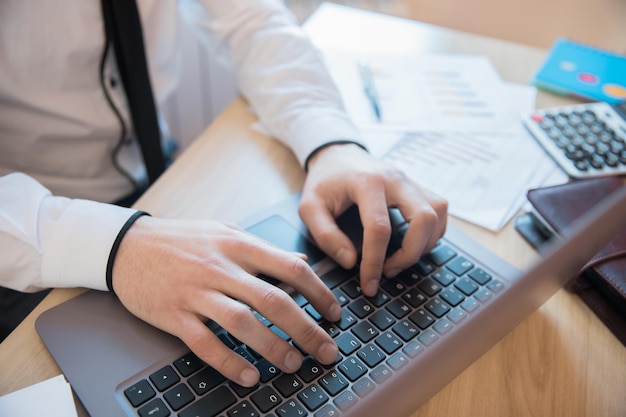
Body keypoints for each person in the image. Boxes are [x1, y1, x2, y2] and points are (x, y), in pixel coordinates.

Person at [0, 0, 447, 387]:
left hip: (158, 177)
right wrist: (116, 244)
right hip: (28, 230)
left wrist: (331, 143)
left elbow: (253, 20)